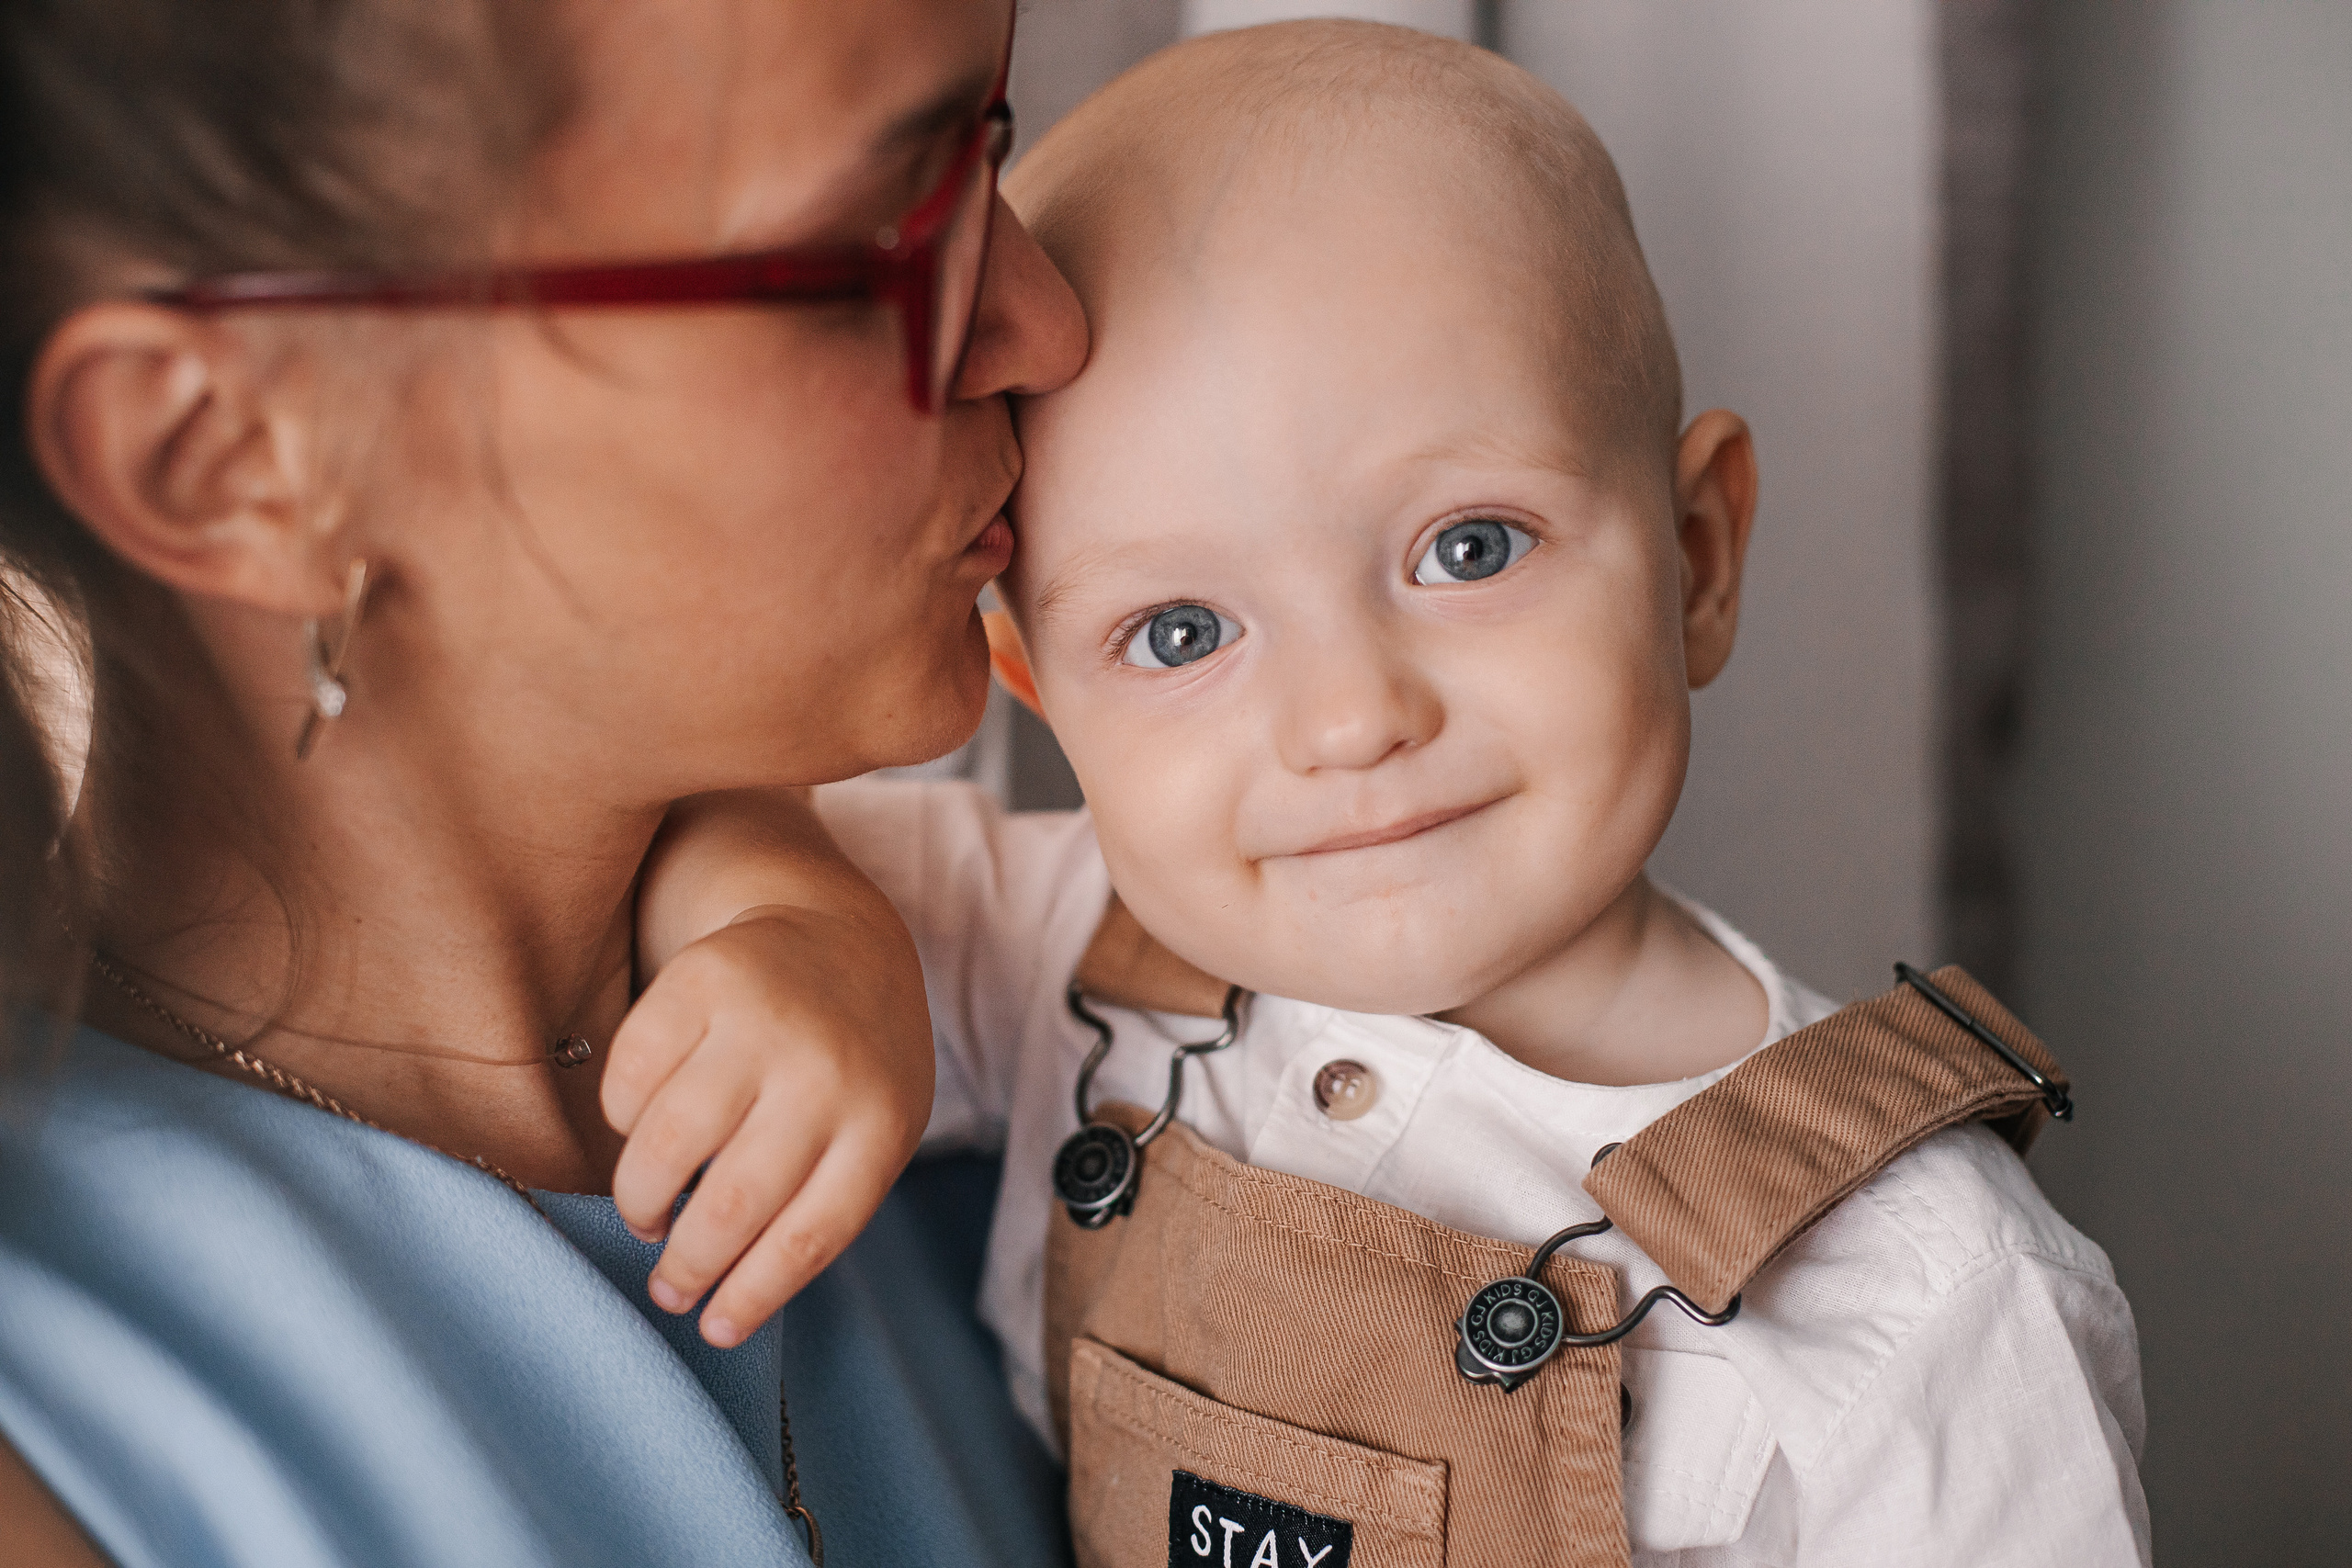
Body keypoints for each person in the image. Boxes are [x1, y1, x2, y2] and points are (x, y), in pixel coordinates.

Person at [664, 21, 2152, 1567]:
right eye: (1180, 635)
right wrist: (780, 915)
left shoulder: (1926, 1296)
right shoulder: (1056, 963)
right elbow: (696, 810)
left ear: (1698, 557)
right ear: (1044, 693)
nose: (1350, 718)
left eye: (1470, 548)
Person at [0, 2, 1086, 1564]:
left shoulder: (1013, 1035)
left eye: (989, 149)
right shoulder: (64, 1408)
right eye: (880, 239)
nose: (1046, 326)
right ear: (234, 457)